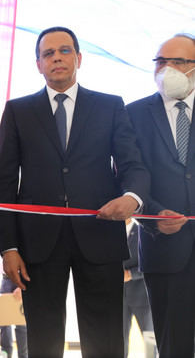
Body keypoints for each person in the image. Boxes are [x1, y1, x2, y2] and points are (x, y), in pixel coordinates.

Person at [0, 26, 150, 357]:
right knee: (43, 338)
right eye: (48, 53)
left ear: (79, 58)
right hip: (37, 243)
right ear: (38, 64)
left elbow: (132, 164)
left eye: (64, 51)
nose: (57, 58)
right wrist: (8, 247)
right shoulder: (18, 111)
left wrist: (131, 198)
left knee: (106, 336)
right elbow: (4, 184)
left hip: (100, 234)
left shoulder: (109, 106)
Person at [126, 33, 195, 358]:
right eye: (161, 61)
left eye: (178, 61)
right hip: (164, 248)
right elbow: (127, 175)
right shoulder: (134, 113)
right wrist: (152, 216)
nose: (167, 68)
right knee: (174, 343)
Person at [122, 218, 153, 358]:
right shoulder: (111, 234)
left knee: (149, 336)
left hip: (141, 296)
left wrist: (130, 274)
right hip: (119, 297)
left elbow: (149, 262)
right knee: (120, 338)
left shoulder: (143, 230)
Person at [0, 274, 28, 358]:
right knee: (3, 322)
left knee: (22, 324)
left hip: (22, 278)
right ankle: (6, 355)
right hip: (6, 278)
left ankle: (23, 355)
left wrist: (21, 286)